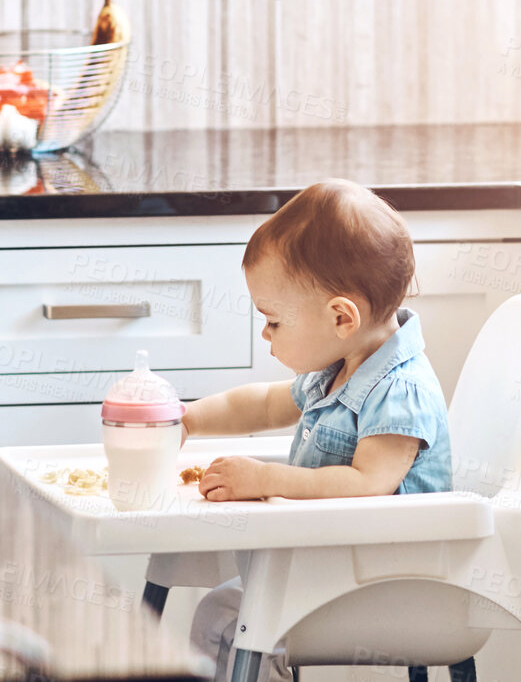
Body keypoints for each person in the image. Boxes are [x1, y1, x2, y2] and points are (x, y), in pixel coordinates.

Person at [182, 179, 452, 681]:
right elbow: (262, 405)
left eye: (274, 322)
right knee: (219, 617)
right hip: (328, 568)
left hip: (382, 585)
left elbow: (368, 483)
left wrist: (267, 480)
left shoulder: (401, 389)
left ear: (340, 317)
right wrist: (190, 419)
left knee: (237, 623)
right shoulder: (338, 367)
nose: (265, 334)